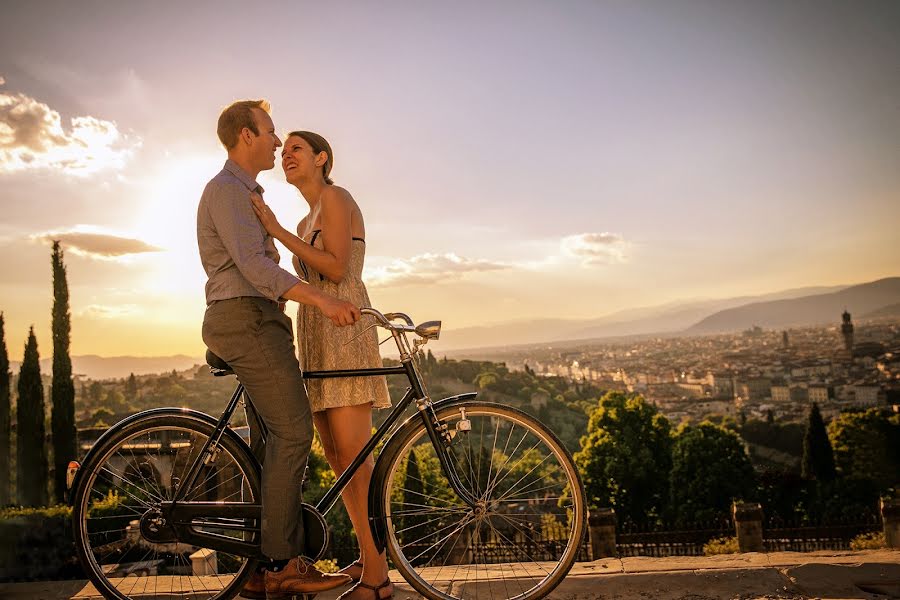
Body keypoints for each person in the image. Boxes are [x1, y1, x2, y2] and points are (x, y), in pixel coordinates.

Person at [197, 100, 358, 599]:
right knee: (294, 430)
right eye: (270, 132)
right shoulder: (227, 190)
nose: (275, 140)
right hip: (248, 319)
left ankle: (255, 570)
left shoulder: (248, 194)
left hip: (258, 319)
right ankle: (284, 566)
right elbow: (257, 268)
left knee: (269, 445)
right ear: (247, 136)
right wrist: (323, 300)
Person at [250, 130, 393, 600]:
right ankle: (370, 557)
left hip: (345, 330)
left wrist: (276, 231)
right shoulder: (306, 212)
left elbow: (335, 268)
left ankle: (377, 577)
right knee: (337, 458)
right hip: (316, 335)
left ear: (321, 158)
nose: (286, 155)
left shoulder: (335, 196)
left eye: (297, 149)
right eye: (284, 149)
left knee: (354, 456)